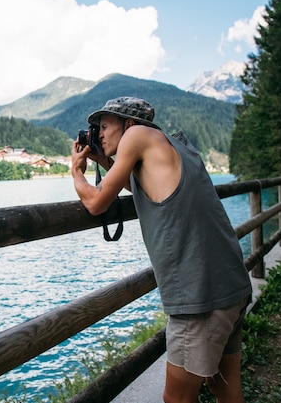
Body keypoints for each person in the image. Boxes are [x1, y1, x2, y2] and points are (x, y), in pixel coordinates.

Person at [71, 96, 252, 403]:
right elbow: (141, 183)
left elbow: (96, 202)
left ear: (128, 125)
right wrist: (104, 161)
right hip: (230, 284)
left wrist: (77, 171)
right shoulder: (171, 145)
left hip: (200, 298)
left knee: (176, 399)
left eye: (104, 126)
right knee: (225, 388)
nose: (98, 134)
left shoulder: (137, 136)